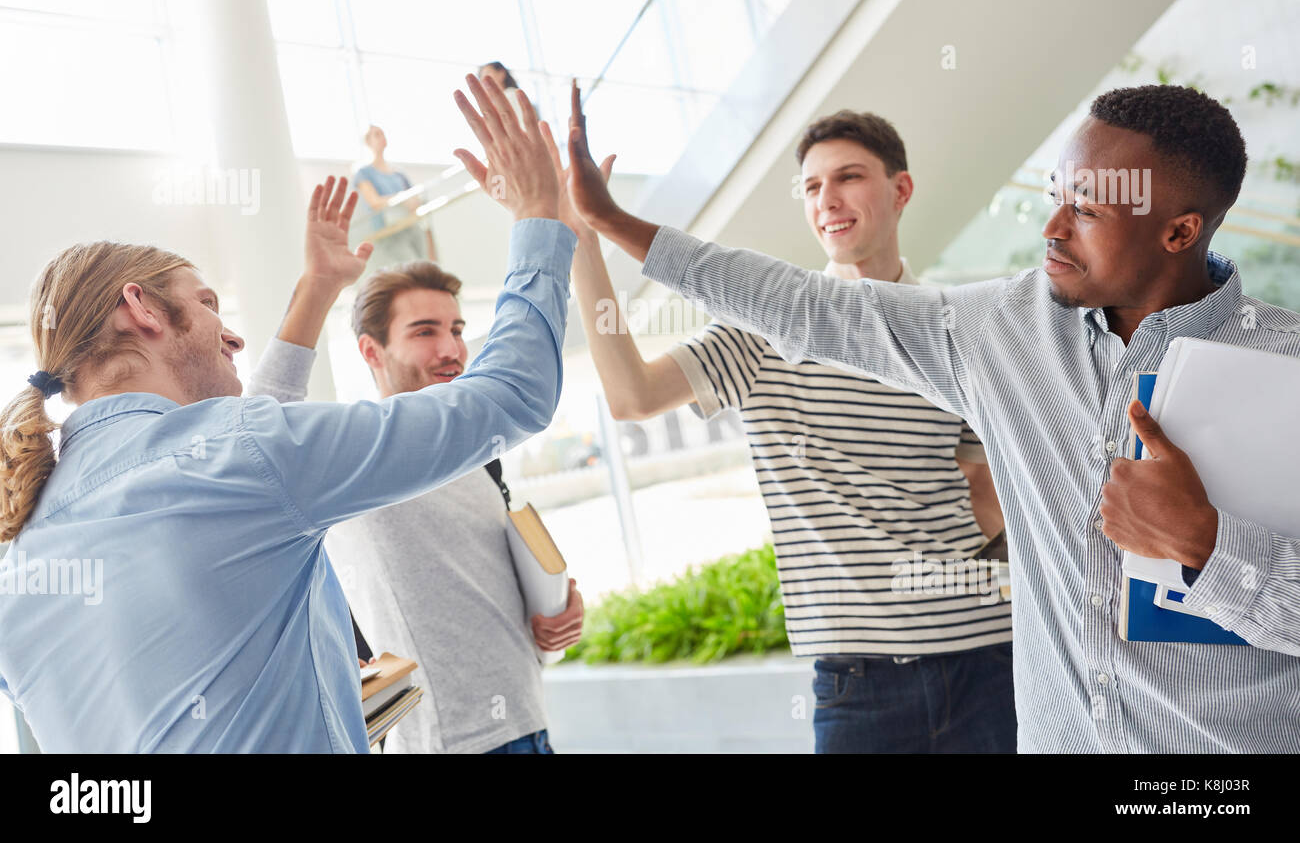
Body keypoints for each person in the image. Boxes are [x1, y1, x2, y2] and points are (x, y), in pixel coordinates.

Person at [565, 80, 1300, 753]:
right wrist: (612, 221)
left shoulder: (1287, 371)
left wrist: (1207, 544)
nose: (1051, 226)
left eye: (1086, 209)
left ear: (1179, 232)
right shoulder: (1001, 330)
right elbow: (810, 307)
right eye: (1055, 195)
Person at [0, 73, 577, 752]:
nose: (233, 334)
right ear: (143, 309)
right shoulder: (238, 458)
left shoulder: (22, 553)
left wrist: (317, 288)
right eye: (208, 302)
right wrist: (541, 213)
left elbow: (247, 471)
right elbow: (513, 395)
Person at [544, 101, 1015, 753]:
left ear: (900, 189)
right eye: (813, 186)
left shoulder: (945, 329)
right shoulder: (764, 331)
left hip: (990, 656)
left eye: (848, 177)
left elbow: (982, 486)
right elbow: (631, 394)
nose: (828, 198)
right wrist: (584, 244)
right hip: (859, 681)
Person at [249, 258, 585, 754]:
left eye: (456, 329)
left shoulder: (478, 453)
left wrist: (553, 618)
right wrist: (318, 286)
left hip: (527, 724)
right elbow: (261, 432)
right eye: (425, 332)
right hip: (444, 743)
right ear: (372, 351)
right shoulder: (359, 457)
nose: (451, 350)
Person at [354, 124, 437, 267]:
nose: (382, 138)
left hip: (410, 225)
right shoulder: (363, 172)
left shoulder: (398, 173)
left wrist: (408, 201)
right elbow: (374, 202)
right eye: (377, 135)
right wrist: (401, 199)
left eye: (383, 133)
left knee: (427, 266)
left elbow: (415, 198)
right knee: (411, 268)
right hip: (389, 231)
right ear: (368, 142)